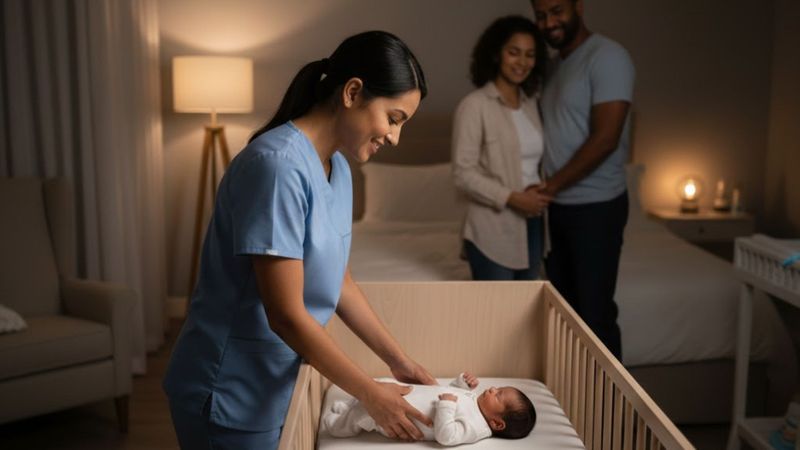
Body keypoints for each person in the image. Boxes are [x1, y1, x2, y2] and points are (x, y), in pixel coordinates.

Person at [163, 31, 437, 450]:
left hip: (278, 385)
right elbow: (286, 314)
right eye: (394, 118)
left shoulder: (338, 169)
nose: (394, 137)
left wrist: (400, 363)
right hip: (230, 390)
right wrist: (369, 392)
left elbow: (339, 281)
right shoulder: (276, 167)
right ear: (352, 93)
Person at [530, 0, 635, 359]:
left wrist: (550, 187)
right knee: (566, 316)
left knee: (595, 315)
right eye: (541, 15)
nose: (549, 22)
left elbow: (605, 139)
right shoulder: (552, 66)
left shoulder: (608, 57)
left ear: (579, 6)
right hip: (558, 207)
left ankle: (610, 398)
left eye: (557, 11)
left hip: (597, 207)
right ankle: (570, 394)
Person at [452, 15, 552, 281]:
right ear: (497, 54)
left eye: (530, 55)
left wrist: (538, 189)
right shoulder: (474, 105)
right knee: (497, 306)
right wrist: (513, 197)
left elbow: (531, 165)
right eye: (514, 52)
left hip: (534, 223)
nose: (522, 62)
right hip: (491, 229)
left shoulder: (532, 104)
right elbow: (463, 173)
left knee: (528, 304)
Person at [323, 372, 537, 445]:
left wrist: (447, 405)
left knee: (365, 414)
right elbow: (447, 391)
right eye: (498, 388)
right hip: (401, 395)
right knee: (379, 386)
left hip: (397, 417)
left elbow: (447, 436)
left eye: (498, 395)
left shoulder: (477, 427)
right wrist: (461, 384)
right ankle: (349, 404)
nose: (492, 389)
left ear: (497, 423)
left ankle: (340, 426)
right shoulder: (475, 402)